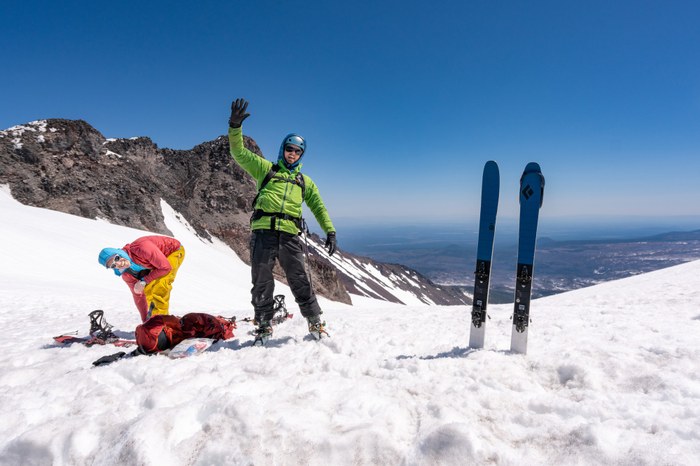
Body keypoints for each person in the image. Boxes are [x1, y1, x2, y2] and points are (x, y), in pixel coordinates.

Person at [228, 98, 337, 342]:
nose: (293, 154)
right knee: (261, 281)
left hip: (289, 234)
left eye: (298, 151)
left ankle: (315, 321)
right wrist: (235, 127)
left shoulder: (304, 182)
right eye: (290, 149)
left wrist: (330, 231)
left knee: (299, 279)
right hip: (263, 233)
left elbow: (318, 207)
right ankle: (264, 324)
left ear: (301, 155)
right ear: (283, 149)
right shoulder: (265, 169)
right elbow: (239, 153)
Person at [97, 235, 185, 322]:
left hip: (173, 251)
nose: (119, 264)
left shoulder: (141, 248)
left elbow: (165, 267)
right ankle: (156, 320)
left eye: (117, 258)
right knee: (147, 289)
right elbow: (138, 295)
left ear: (119, 253)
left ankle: (162, 323)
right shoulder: (127, 274)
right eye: (113, 265)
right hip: (157, 263)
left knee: (160, 284)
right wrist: (144, 320)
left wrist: (144, 281)